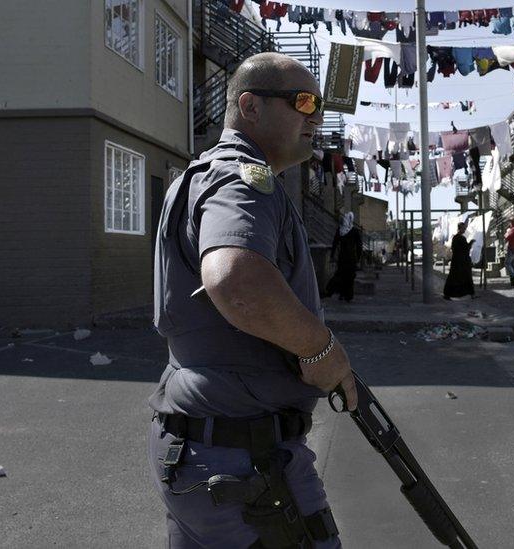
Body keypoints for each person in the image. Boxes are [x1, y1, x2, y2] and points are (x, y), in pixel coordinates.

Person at [148, 52, 355, 549]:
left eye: (319, 105)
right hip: (245, 465)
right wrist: (325, 353)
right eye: (302, 101)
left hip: (196, 451)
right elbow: (234, 279)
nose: (315, 116)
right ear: (250, 107)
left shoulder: (197, 177)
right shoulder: (245, 179)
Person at [326, 212, 362, 302]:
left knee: (342, 275)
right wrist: (358, 257)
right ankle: (348, 296)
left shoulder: (340, 230)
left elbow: (335, 243)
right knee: (349, 277)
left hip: (342, 257)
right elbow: (359, 246)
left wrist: (332, 255)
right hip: (351, 258)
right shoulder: (355, 231)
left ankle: (341, 294)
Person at [443, 222, 475, 299]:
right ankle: (470, 294)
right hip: (462, 261)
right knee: (465, 277)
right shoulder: (460, 238)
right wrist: (471, 243)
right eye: (463, 228)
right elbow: (466, 249)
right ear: (460, 228)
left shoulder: (455, 238)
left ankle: (448, 294)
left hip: (457, 260)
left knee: (454, 277)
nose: (464, 230)